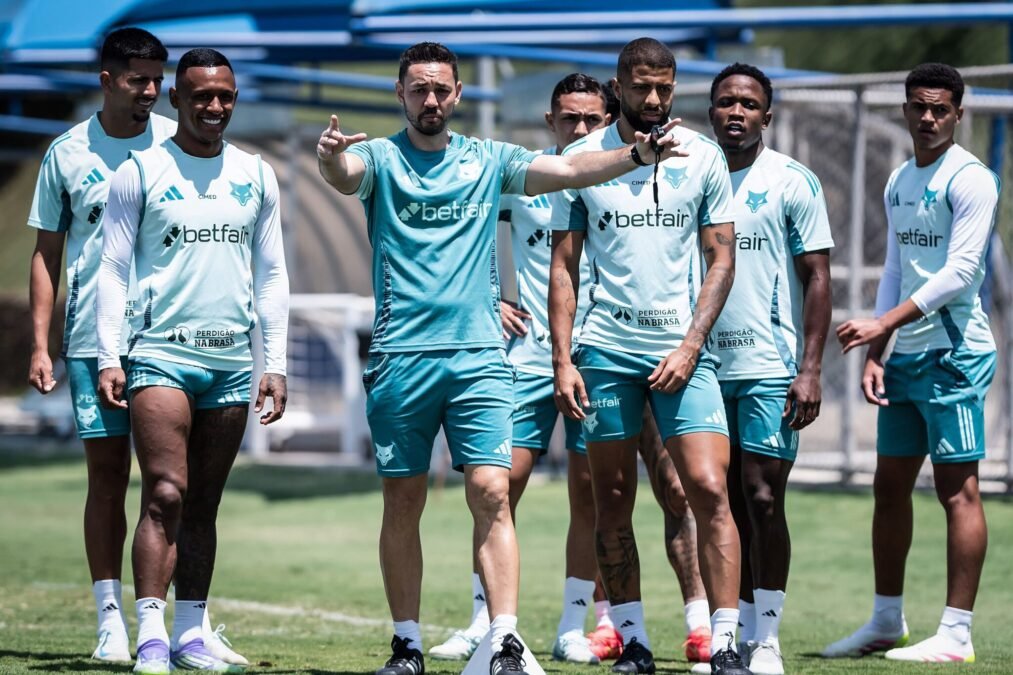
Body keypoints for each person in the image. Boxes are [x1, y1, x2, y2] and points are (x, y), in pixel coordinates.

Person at [316, 41, 684, 675]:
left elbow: (568, 172)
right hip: (401, 357)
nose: (430, 99)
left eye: (441, 89)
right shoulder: (378, 158)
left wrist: (637, 155)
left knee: (492, 491)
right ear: (400, 94)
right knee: (402, 502)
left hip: (480, 358)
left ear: (458, 94)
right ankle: (406, 645)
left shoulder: (490, 159)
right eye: (419, 88)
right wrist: (329, 158)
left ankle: (504, 639)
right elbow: (345, 176)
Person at [549, 38, 750, 675]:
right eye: (642, 86)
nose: (655, 98)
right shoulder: (580, 159)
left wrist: (691, 346)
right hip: (605, 354)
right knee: (611, 499)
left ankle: (724, 643)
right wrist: (563, 359)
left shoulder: (704, 157)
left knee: (709, 490)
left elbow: (722, 258)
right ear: (619, 87)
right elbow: (564, 266)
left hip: (683, 356)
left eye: (665, 86)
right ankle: (633, 641)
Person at [96, 48, 289, 674]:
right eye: (201, 95)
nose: (214, 106)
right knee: (165, 493)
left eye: (224, 96)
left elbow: (272, 274)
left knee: (204, 502)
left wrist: (275, 362)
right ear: (177, 99)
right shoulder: (140, 171)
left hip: (231, 362)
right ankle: (150, 637)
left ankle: (189, 635)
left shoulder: (257, 174)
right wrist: (109, 354)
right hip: (159, 355)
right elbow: (112, 269)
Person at [826, 63, 998, 664]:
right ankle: (885, 621)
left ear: (958, 114)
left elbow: (961, 272)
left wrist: (882, 324)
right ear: (904, 109)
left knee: (958, 491)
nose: (928, 117)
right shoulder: (900, 178)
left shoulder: (972, 179)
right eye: (919, 107)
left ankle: (956, 634)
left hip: (956, 355)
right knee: (889, 486)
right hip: (906, 356)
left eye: (940, 109)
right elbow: (897, 267)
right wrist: (879, 352)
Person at [26, 27, 173, 664]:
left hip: (169, 338)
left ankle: (179, 623)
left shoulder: (177, 142)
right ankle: (110, 619)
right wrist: (41, 344)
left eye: (158, 79)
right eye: (139, 80)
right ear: (107, 80)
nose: (151, 91)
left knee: (172, 486)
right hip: (92, 340)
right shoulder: (65, 154)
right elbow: (46, 253)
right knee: (108, 479)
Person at [707, 63, 833, 675]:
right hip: (702, 366)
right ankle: (728, 636)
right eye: (727, 101)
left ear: (767, 116)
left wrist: (810, 368)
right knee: (718, 501)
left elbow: (818, 277)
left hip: (768, 364)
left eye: (749, 104)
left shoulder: (792, 180)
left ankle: (768, 639)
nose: (737, 112)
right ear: (711, 110)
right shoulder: (689, 174)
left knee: (761, 497)